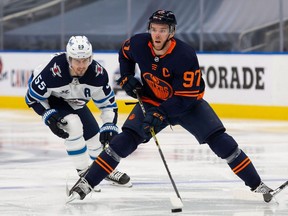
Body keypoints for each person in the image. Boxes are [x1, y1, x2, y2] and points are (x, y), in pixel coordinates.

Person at [67, 10, 273, 202]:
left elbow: (187, 96)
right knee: (123, 141)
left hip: (188, 105)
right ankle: (86, 184)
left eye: (162, 30)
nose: (157, 35)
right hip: (152, 100)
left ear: (171, 32)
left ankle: (258, 185)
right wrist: (127, 75)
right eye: (154, 29)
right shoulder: (139, 43)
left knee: (221, 142)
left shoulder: (185, 55)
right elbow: (125, 53)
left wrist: (162, 112)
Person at [25, 35, 132, 187]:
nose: (81, 65)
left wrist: (109, 125)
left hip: (73, 101)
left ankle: (103, 170)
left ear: (91, 58)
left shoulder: (98, 74)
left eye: (85, 60)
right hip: (52, 99)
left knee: (95, 136)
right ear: (69, 59)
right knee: (73, 125)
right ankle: (84, 173)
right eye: (77, 60)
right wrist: (47, 114)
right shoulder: (51, 71)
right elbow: (32, 98)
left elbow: (109, 105)